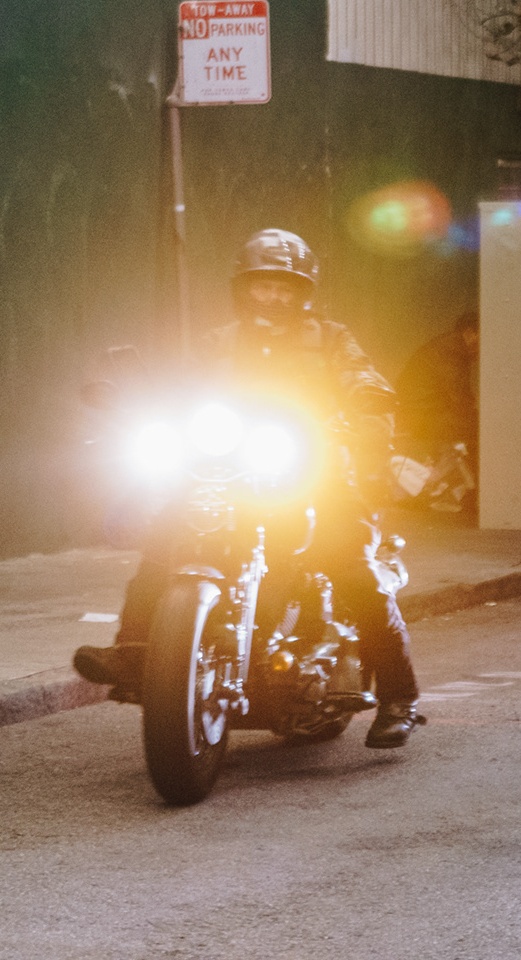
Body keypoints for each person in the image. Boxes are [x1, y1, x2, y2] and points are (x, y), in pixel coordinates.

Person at [74, 229, 426, 748]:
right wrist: (140, 404)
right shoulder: (218, 343)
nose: (273, 297)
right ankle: (132, 652)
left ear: (302, 293)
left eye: (285, 287)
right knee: (165, 538)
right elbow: (179, 388)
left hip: (316, 475)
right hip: (228, 472)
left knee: (353, 568)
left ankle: (400, 697)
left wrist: (370, 403)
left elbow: (361, 376)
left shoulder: (330, 340)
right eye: (263, 285)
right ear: (244, 289)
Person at [394, 310, 479, 511]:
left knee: (475, 427)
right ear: (469, 333)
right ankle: (474, 493)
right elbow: (459, 397)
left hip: (422, 412)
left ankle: (468, 490)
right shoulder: (451, 353)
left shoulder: (450, 348)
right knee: (480, 430)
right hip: (422, 415)